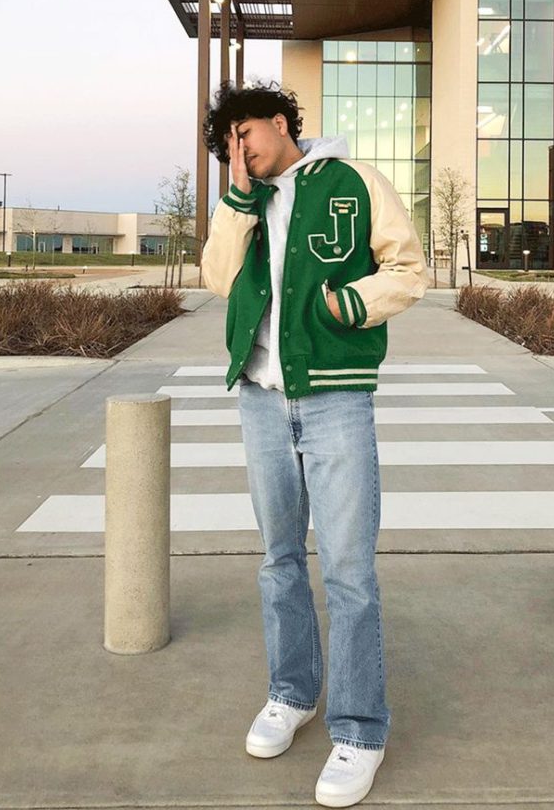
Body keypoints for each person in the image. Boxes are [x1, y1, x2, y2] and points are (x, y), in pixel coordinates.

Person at [201, 80, 428, 808]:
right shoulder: (246, 202)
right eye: (226, 148)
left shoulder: (354, 181)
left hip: (335, 400)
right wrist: (236, 200)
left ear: (277, 121)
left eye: (245, 137)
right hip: (262, 403)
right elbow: (217, 279)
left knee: (350, 573)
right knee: (277, 562)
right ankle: (291, 694)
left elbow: (408, 268)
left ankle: (360, 729)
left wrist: (346, 304)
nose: (239, 153)